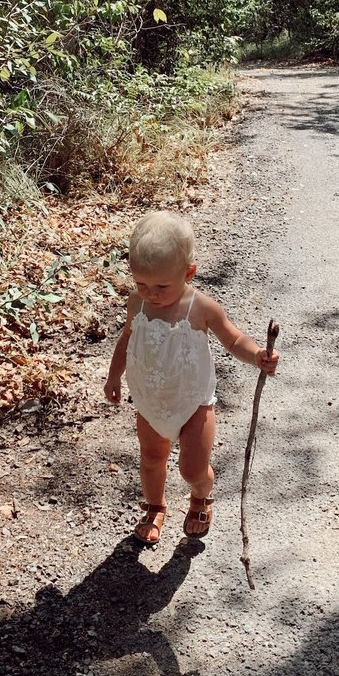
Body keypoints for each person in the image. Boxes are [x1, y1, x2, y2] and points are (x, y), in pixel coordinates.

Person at [104, 210, 279, 545]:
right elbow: (127, 337)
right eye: (141, 283)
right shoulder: (137, 303)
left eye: (161, 285)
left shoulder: (200, 308)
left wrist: (258, 355)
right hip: (151, 399)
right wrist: (114, 376)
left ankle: (201, 495)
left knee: (192, 469)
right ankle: (155, 506)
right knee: (151, 458)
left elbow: (233, 340)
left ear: (189, 273)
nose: (151, 293)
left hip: (192, 401)